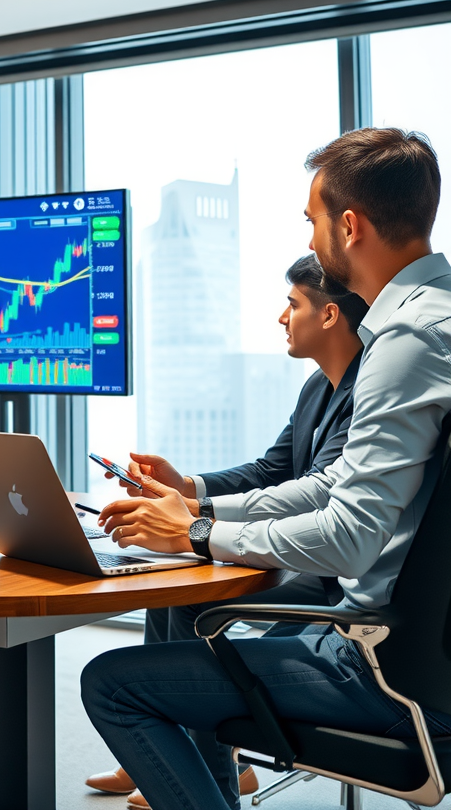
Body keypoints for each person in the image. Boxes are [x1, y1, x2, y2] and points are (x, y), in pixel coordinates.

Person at [81, 127, 451, 810]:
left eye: (312, 220)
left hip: (379, 666)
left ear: (349, 226)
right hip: (417, 651)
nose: (310, 237)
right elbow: (327, 483)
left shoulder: (406, 340)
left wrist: (196, 534)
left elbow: (348, 536)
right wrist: (198, 509)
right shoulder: (436, 319)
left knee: (111, 683)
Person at [85, 254, 368, 807]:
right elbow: (270, 470)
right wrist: (186, 485)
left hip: (330, 573)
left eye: (292, 304)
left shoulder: (368, 395)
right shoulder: (318, 387)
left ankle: (210, 771)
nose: (281, 317)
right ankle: (175, 751)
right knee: (173, 588)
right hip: (312, 563)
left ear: (330, 314)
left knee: (193, 597)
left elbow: (316, 492)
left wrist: (196, 517)